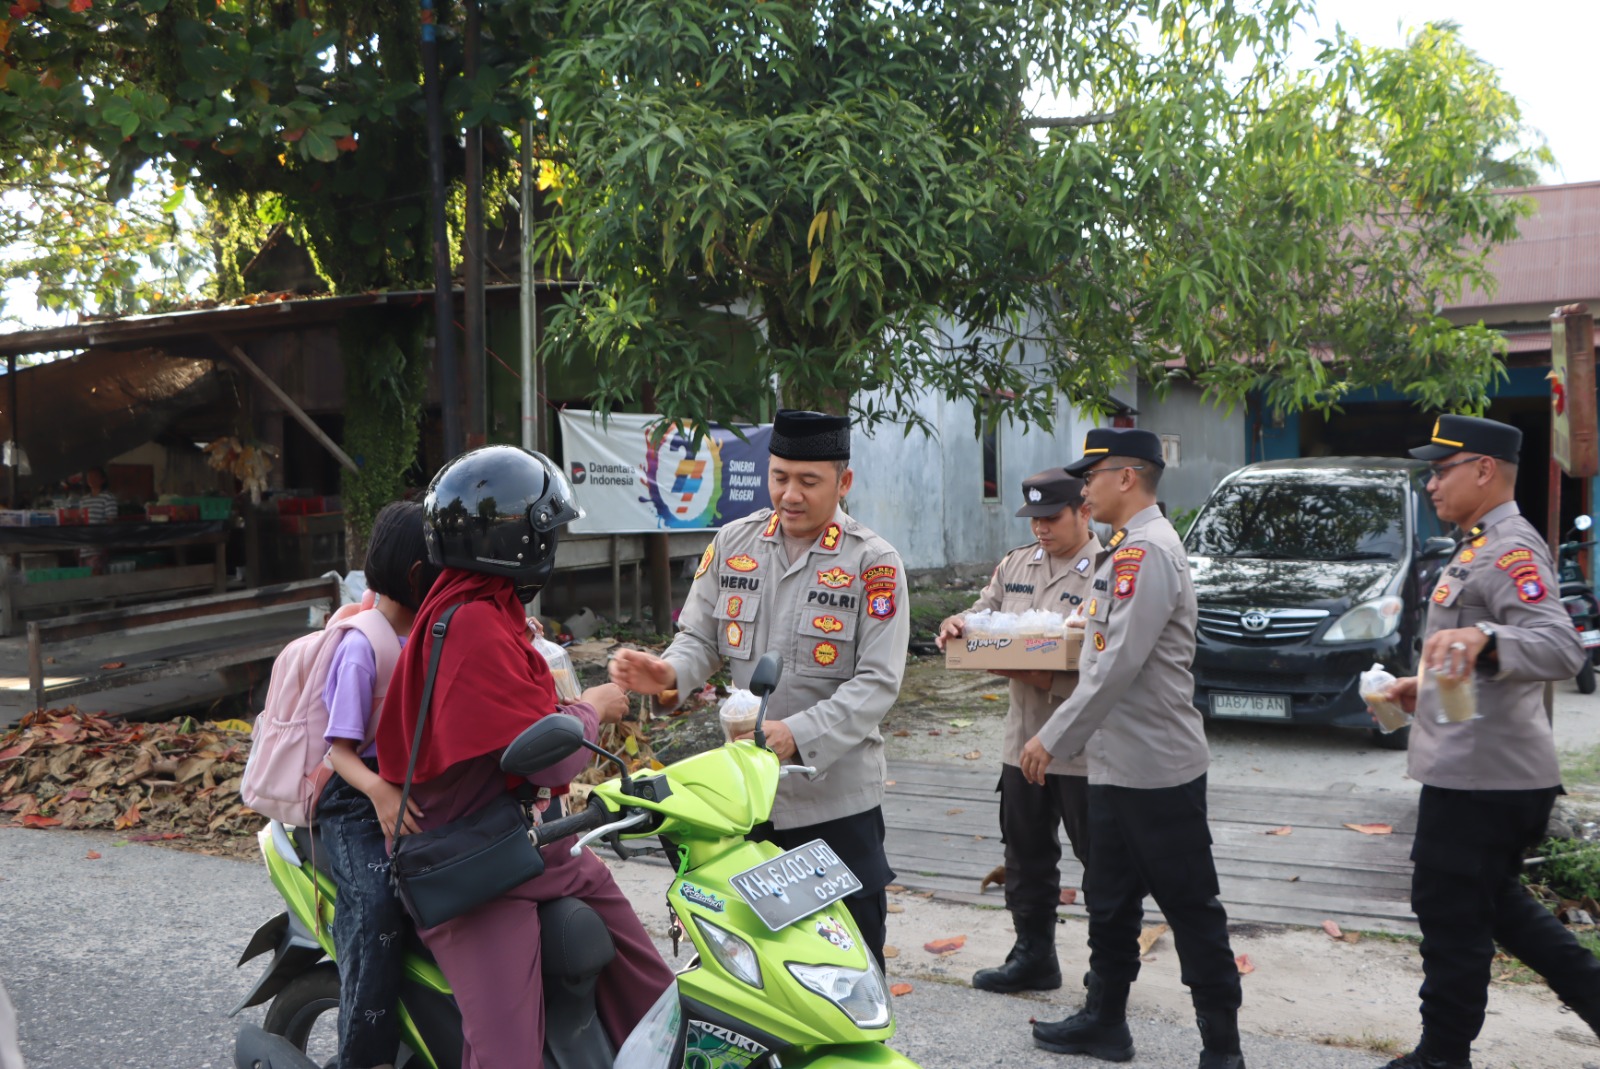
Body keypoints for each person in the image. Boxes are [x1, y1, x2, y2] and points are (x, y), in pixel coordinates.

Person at [375, 445, 674, 1069]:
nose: (553, 544)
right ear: (515, 541)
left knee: (655, 995)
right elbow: (552, 761)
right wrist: (591, 707)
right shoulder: (472, 626)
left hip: (533, 846)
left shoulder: (487, 611)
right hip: (478, 866)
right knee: (506, 1056)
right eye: (547, 531)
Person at [609, 409, 910, 969]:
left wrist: (795, 734)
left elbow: (878, 682)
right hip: (746, 797)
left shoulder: (874, 563)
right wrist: (669, 674)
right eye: (779, 477)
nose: (789, 494)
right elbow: (699, 637)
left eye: (808, 481)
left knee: (849, 960)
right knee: (749, 955)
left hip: (833, 800)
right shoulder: (732, 543)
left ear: (843, 483)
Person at [1376, 415, 1600, 1069]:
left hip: (1486, 778)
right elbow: (1476, 657)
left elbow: (1560, 646)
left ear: (1482, 469)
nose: (1431, 484)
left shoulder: (1511, 549)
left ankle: (1443, 1055)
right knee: (1492, 908)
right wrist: (1427, 683)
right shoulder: (1475, 543)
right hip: (1475, 769)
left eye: (1440, 470)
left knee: (1451, 914)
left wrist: (1488, 639)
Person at [1022, 427, 1243, 1069]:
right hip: (1115, 765)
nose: (1083, 488)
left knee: (1190, 904)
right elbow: (1101, 645)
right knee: (1110, 900)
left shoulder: (1147, 554)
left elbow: (1115, 666)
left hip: (1157, 769)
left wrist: (1052, 736)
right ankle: (1104, 1021)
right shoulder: (1124, 550)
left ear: (1126, 477)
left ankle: (1222, 1049)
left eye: (1091, 477)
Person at [937, 469, 1100, 994]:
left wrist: (1035, 668)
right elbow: (984, 613)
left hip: (1083, 745)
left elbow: (1109, 660)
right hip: (1022, 737)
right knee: (1025, 853)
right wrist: (958, 625)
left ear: (1084, 511)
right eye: (1034, 520)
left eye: (1052, 518)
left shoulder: (1109, 568)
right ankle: (1033, 955)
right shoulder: (1016, 564)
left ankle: (1109, 967)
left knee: (1100, 858)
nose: (1042, 530)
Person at [313, 501, 440, 1069]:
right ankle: (362, 1057)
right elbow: (337, 752)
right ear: (419, 574)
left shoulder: (429, 631)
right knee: (378, 906)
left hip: (411, 784)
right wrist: (380, 792)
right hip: (356, 797)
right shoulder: (361, 648)